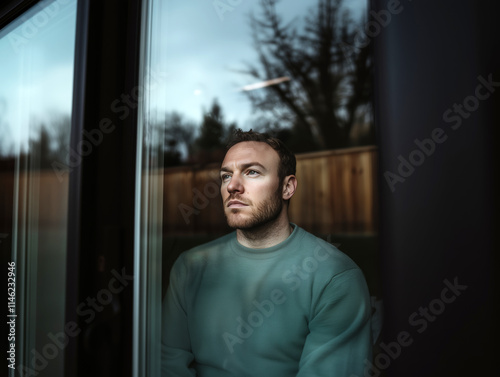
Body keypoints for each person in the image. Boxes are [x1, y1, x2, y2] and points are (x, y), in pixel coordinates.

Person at [162, 130, 372, 377]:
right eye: (226, 175)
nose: (232, 186)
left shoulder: (335, 276)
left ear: (287, 187)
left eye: (252, 172)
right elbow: (167, 363)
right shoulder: (190, 266)